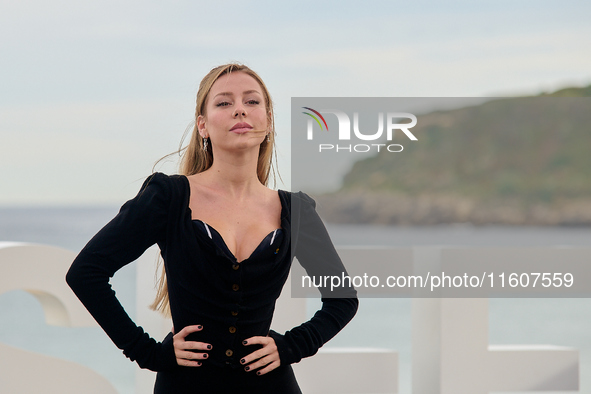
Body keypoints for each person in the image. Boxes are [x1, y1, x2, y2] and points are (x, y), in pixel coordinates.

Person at [66, 63, 358, 393]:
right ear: (203, 126)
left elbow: (343, 298)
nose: (239, 110)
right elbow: (86, 273)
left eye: (252, 101)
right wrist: (146, 351)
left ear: (268, 121)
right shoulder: (169, 198)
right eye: (223, 102)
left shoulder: (295, 210)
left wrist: (292, 346)